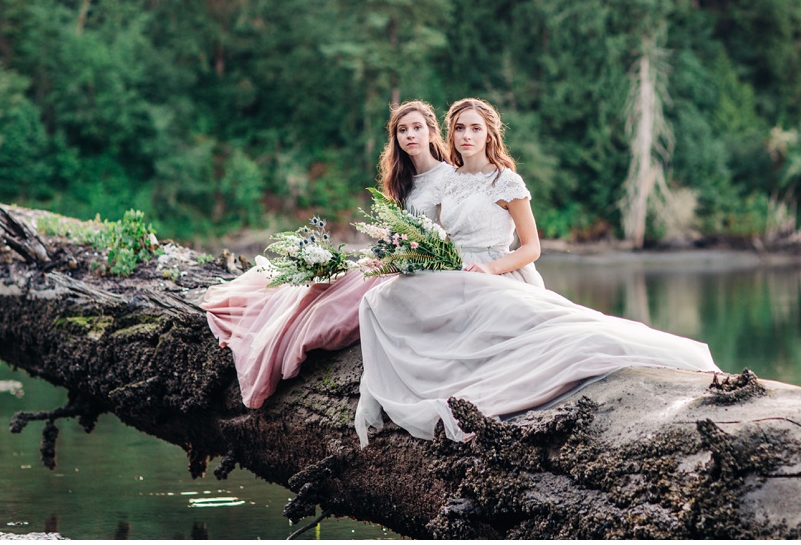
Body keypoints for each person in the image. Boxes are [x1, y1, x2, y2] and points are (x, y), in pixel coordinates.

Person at [355, 97, 720, 446]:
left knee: (559, 339)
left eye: (475, 129)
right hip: (457, 271)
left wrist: (490, 268)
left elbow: (532, 248)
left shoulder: (506, 182)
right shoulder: (448, 180)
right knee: (382, 297)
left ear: (489, 135)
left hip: (497, 272)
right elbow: (437, 235)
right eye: (460, 129)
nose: (467, 136)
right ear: (450, 135)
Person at [202, 100, 453, 409]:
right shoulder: (402, 180)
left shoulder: (449, 178)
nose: (410, 135)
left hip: (420, 273)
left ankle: (294, 344)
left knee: (331, 309)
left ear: (431, 132)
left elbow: (448, 241)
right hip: (391, 264)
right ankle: (273, 325)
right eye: (403, 130)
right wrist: (382, 256)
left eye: (417, 128)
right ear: (396, 138)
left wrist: (399, 260)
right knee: (323, 285)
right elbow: (395, 235)